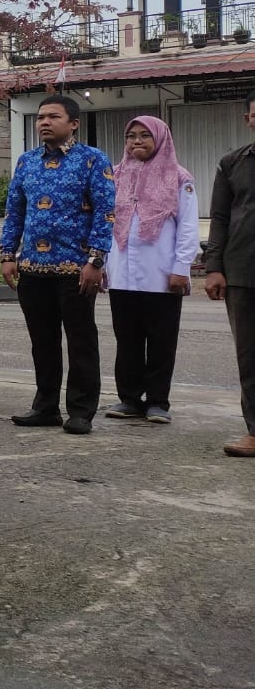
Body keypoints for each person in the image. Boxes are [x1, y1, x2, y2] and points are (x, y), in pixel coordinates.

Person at [0, 94, 116, 435]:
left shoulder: (93, 160)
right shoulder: (27, 162)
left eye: (53, 116)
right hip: (33, 268)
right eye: (40, 118)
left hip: (76, 268)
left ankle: (81, 411)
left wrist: (95, 260)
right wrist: (8, 256)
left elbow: (106, 213)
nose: (44, 123)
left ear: (74, 123)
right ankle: (45, 406)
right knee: (42, 341)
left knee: (81, 340)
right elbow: (15, 212)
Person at [103, 116, 197, 425]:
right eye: (131, 136)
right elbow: (105, 224)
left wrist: (181, 268)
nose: (137, 141)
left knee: (161, 340)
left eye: (145, 136)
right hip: (122, 274)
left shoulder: (178, 177)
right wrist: (103, 263)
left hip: (161, 275)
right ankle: (129, 398)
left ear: (160, 139)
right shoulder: (114, 176)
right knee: (127, 339)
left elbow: (187, 228)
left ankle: (158, 401)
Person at [201, 92, 255, 458]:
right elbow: (219, 219)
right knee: (250, 356)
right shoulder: (232, 163)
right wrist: (214, 267)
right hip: (243, 271)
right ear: (248, 118)